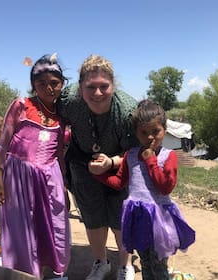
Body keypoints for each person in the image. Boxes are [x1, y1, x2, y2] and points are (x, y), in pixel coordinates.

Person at [94, 100, 196, 280]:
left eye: (155, 131)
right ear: (136, 133)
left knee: (158, 264)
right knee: (146, 262)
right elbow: (119, 182)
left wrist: (151, 162)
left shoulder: (168, 156)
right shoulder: (131, 155)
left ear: (164, 129)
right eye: (144, 132)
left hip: (159, 221)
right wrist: (98, 175)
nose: (150, 137)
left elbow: (165, 187)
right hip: (138, 218)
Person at [57, 54, 138, 280]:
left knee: (121, 217)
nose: (97, 93)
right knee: (92, 217)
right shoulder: (68, 101)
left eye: (104, 86)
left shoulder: (128, 112)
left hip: (119, 166)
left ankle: (125, 265)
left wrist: (110, 163)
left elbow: (135, 154)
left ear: (113, 85)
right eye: (91, 87)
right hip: (82, 164)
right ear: (80, 87)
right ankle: (100, 262)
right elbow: (49, 115)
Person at [0, 53, 70, 279]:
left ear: (62, 84)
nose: (49, 88)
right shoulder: (21, 106)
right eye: (41, 84)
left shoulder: (61, 117)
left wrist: (62, 184)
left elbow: (59, 154)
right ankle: (27, 274)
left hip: (49, 178)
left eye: (54, 83)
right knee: (23, 229)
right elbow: (3, 143)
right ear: (33, 85)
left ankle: (54, 271)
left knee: (53, 226)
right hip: (19, 178)